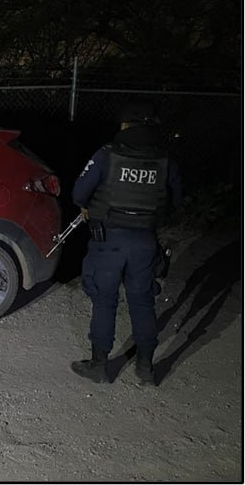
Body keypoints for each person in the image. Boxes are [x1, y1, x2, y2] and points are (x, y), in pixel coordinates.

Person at [71, 100, 181, 386]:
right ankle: (145, 368)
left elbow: (79, 192)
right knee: (142, 302)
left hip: (108, 240)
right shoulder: (165, 159)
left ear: (124, 125)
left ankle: (99, 366)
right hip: (145, 241)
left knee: (104, 301)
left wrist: (88, 205)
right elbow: (176, 198)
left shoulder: (107, 153)